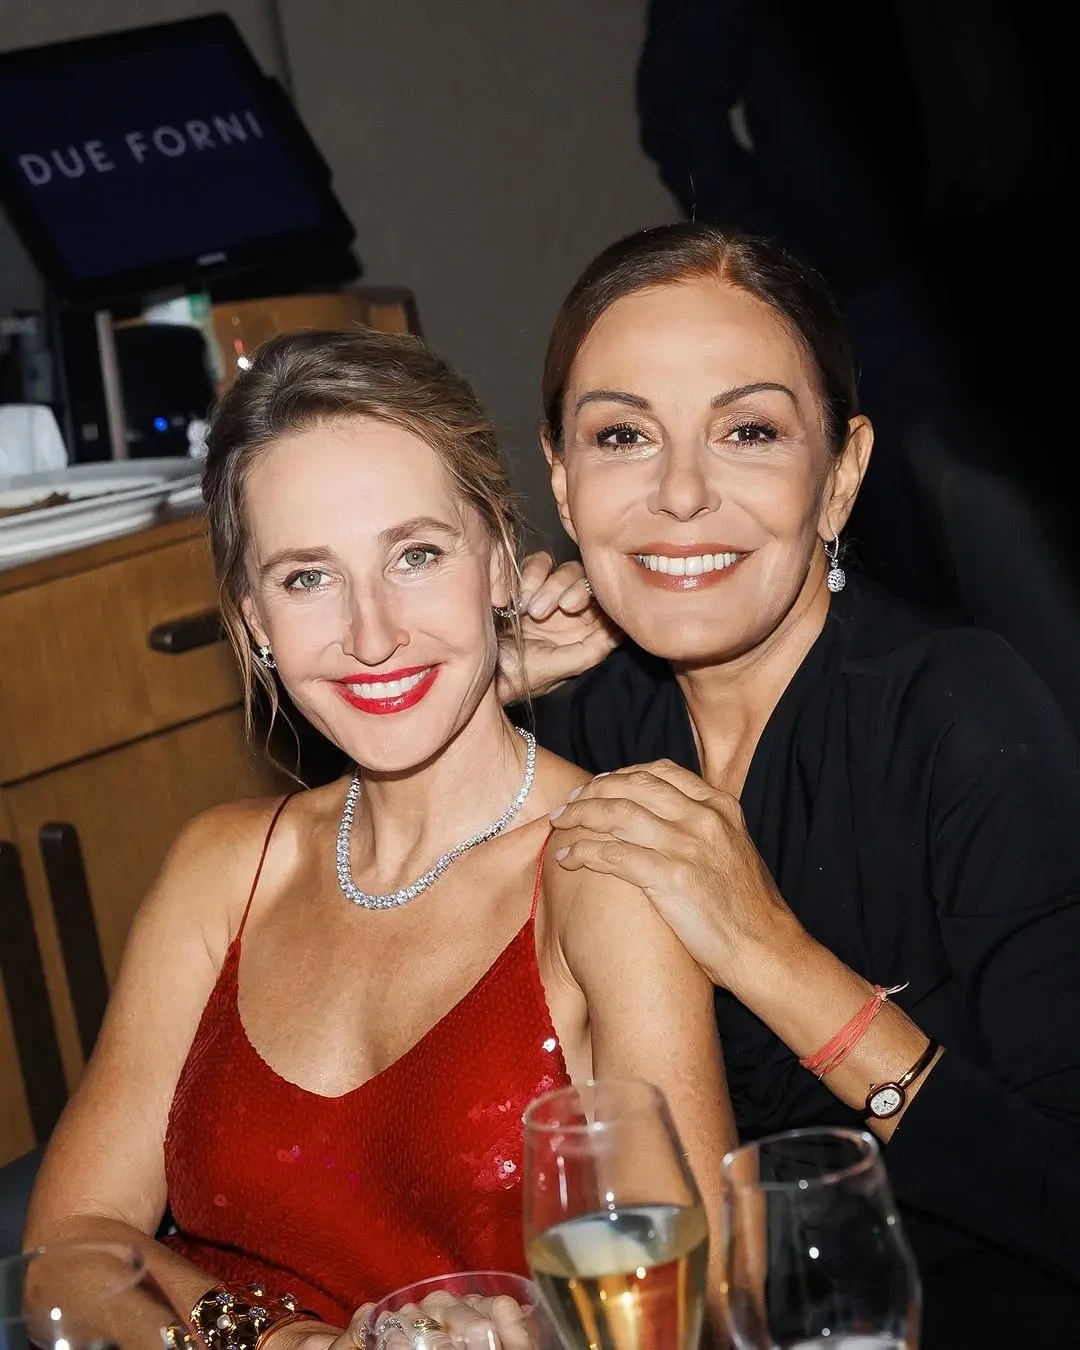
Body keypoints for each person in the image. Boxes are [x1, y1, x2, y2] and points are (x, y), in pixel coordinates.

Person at [23, 329, 734, 1347]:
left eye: (416, 556)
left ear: (500, 560)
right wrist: (284, 1343)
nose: (372, 635)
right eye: (307, 578)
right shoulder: (222, 870)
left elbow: (684, 1304)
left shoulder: (606, 867)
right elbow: (73, 1246)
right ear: (252, 619)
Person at [515, 223, 1080, 1348]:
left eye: (749, 432)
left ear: (841, 476)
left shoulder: (961, 714)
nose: (681, 494)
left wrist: (769, 954)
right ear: (564, 485)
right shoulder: (585, 721)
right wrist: (473, 701)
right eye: (623, 435)